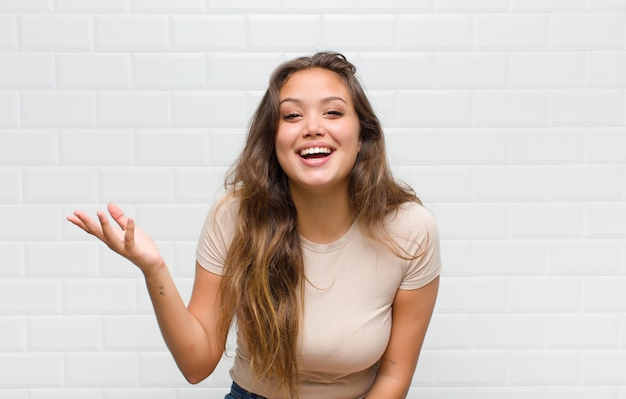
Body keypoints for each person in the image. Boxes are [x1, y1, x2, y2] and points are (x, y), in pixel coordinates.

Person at [67, 52, 440, 399]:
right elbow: (197, 364)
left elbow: (394, 376)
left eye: (333, 113)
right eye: (291, 116)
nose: (312, 127)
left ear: (363, 137)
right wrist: (154, 269)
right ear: (272, 140)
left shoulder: (409, 230)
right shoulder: (234, 215)